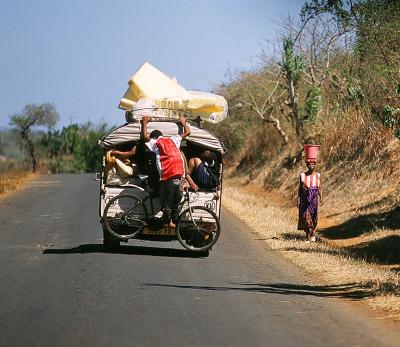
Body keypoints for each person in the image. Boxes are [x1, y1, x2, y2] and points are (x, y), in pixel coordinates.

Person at [141, 115, 191, 228]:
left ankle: (165, 222)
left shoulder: (156, 143)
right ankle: (172, 221)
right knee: (177, 199)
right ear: (162, 135)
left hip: (168, 174)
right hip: (180, 173)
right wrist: (183, 122)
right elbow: (188, 132)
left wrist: (144, 122)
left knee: (166, 201)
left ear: (154, 138)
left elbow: (144, 136)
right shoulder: (173, 139)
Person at [297, 159, 323, 242]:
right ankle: (307, 237)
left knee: (314, 219)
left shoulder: (318, 175)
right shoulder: (303, 175)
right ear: (307, 165)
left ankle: (312, 234)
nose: (311, 166)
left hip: (314, 200)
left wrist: (321, 198)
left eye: (313, 164)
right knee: (306, 218)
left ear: (315, 165)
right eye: (309, 165)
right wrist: (298, 198)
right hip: (305, 199)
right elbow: (300, 188)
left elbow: (319, 188)